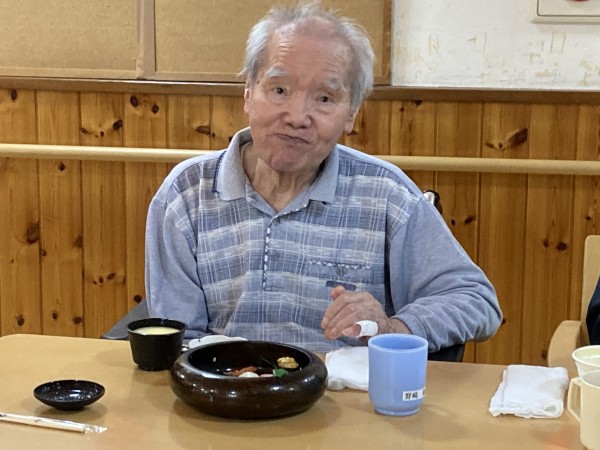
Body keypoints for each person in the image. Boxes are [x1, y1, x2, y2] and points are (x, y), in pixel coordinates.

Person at [144, 1, 502, 353]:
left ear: (351, 114)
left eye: (325, 98)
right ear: (249, 92)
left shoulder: (387, 196)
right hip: (223, 385)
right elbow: (178, 337)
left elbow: (475, 300)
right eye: (279, 90)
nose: (297, 116)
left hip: (344, 391)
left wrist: (393, 328)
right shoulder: (186, 193)